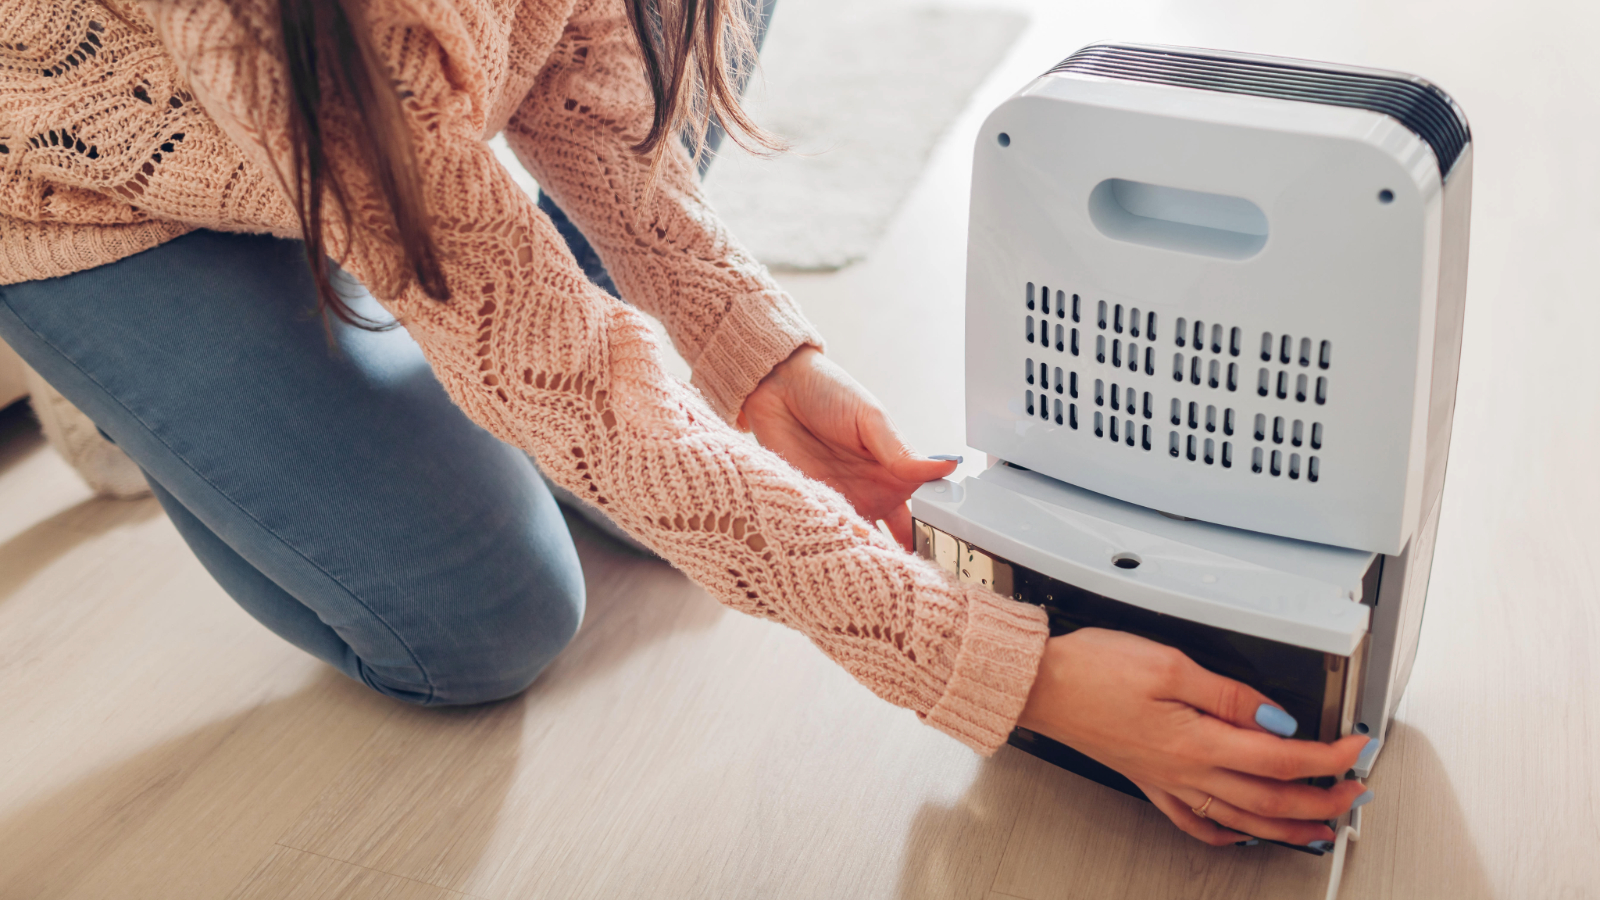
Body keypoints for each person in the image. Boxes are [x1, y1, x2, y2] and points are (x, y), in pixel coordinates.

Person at [0, 0, 1373, 850]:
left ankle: (397, 237)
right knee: (482, 626)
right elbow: (571, 385)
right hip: (90, 175)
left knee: (629, 442)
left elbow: (575, 85)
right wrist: (998, 671)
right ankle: (161, 356)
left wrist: (752, 357)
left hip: (361, 115)